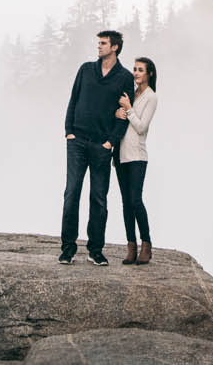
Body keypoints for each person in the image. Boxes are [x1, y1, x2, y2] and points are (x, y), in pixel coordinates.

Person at [60, 29, 134, 265]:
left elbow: (123, 115)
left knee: (99, 198)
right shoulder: (85, 69)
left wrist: (110, 142)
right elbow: (74, 99)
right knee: (71, 193)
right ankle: (68, 248)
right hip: (77, 142)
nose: (99, 47)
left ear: (115, 47)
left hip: (102, 145)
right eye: (98, 43)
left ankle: (95, 250)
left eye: (103, 43)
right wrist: (69, 132)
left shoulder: (123, 77)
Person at [114, 56, 158, 265]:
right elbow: (122, 119)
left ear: (149, 73)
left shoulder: (151, 97)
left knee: (135, 200)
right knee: (125, 203)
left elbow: (141, 127)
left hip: (137, 156)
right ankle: (130, 246)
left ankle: (146, 244)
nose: (136, 73)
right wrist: (118, 112)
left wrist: (129, 108)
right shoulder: (130, 93)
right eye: (134, 69)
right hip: (121, 155)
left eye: (140, 69)